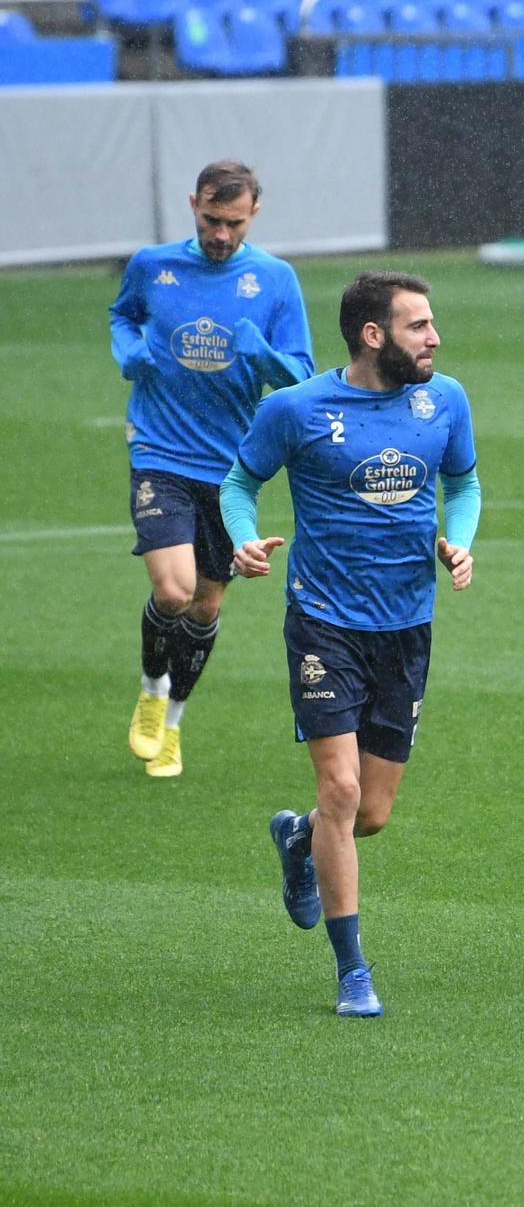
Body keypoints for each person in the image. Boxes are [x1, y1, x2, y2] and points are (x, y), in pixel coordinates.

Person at [221, 270, 480, 1017]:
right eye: (418, 326)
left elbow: (462, 484)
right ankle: (352, 970)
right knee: (339, 790)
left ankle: (297, 839)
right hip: (324, 620)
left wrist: (457, 543)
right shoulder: (295, 409)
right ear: (374, 335)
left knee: (369, 813)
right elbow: (239, 484)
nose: (434, 338)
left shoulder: (446, 401)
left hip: (405, 624)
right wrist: (243, 542)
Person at [109, 159, 314, 780]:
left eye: (232, 223)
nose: (220, 235)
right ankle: (150, 687)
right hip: (161, 450)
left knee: (204, 605)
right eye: (209, 219)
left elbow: (301, 375)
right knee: (171, 589)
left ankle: (171, 723)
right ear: (192, 204)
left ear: (254, 212)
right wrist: (129, 351)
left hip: (231, 468)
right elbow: (124, 315)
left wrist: (265, 355)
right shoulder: (153, 264)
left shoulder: (276, 280)